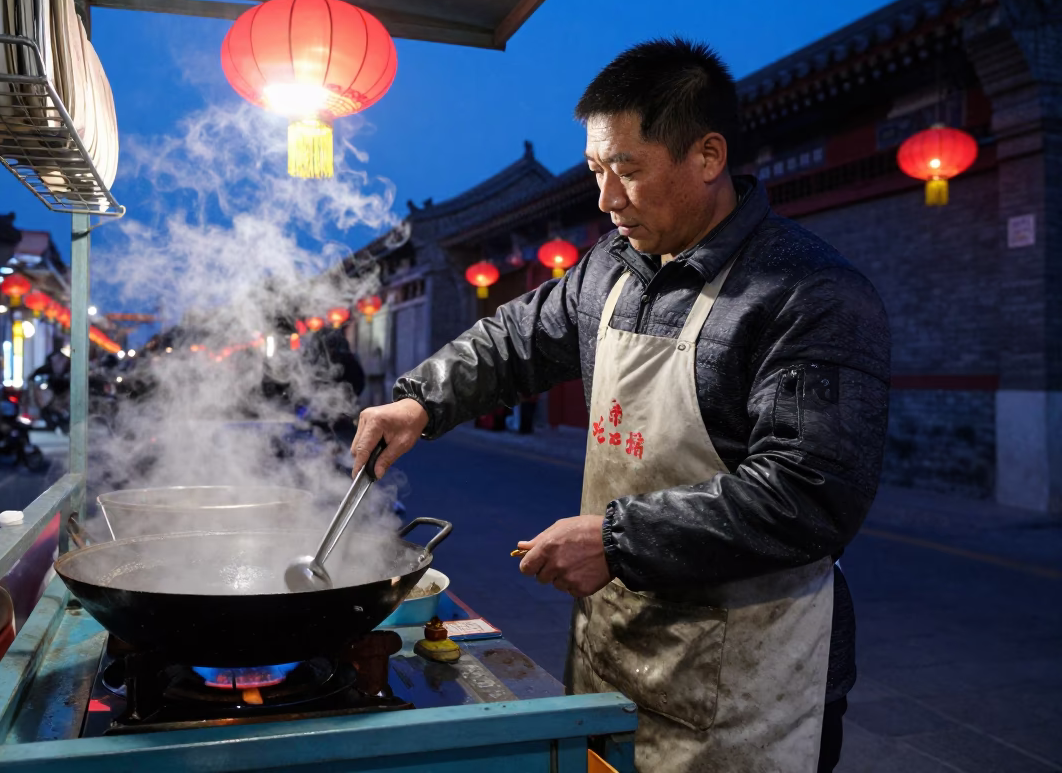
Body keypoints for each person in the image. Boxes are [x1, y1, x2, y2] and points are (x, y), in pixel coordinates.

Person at [351, 38, 890, 772]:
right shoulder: (612, 266)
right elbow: (517, 337)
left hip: (747, 677)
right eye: (598, 172)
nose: (606, 200)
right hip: (617, 646)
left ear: (707, 156)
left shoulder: (808, 293)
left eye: (628, 171)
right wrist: (420, 402)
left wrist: (616, 539)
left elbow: (811, 493)